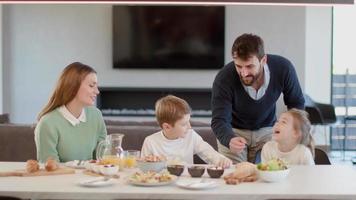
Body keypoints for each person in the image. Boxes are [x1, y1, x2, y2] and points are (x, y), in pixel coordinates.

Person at [211, 33, 305, 163]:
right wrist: (229, 139)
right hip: (233, 131)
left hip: (268, 130)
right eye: (239, 66)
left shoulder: (284, 69)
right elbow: (219, 120)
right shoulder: (224, 78)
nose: (243, 73)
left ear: (263, 60)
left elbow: (296, 103)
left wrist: (292, 130)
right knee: (235, 177)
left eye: (249, 66)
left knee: (272, 174)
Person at [35, 62, 107, 163]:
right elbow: (50, 169)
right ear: (73, 86)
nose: (97, 91)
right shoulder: (47, 123)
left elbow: (102, 158)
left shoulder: (96, 115)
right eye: (91, 86)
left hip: (92, 178)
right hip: (61, 178)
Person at [141, 95, 232, 168]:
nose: (189, 126)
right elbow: (143, 169)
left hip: (186, 184)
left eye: (189, 121)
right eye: (184, 124)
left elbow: (209, 153)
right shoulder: (150, 142)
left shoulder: (191, 136)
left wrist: (222, 160)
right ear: (167, 127)